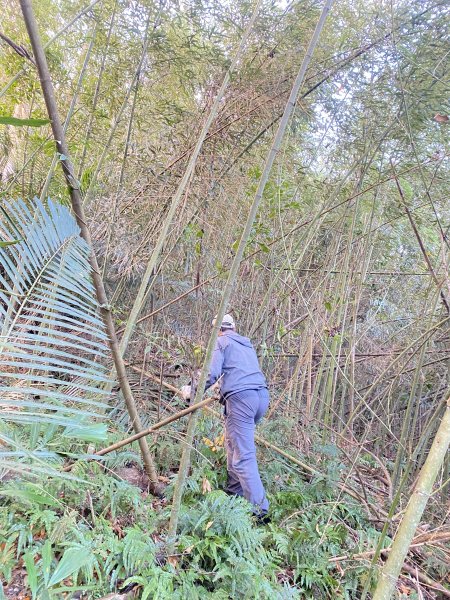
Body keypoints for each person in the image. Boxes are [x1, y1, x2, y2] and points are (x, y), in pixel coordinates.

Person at [182, 314, 270, 517]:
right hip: (260, 398)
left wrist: (192, 392)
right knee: (233, 446)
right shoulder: (245, 344)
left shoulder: (220, 342)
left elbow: (210, 373)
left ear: (217, 330)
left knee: (244, 456)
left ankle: (259, 511)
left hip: (241, 400)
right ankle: (234, 496)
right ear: (233, 327)